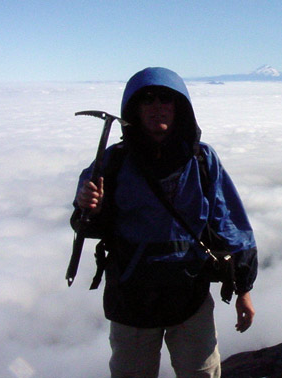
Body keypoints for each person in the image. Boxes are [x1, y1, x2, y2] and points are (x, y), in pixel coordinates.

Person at [72, 67, 258, 377]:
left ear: (179, 107)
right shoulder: (113, 162)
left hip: (189, 295)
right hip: (131, 298)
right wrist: (88, 206)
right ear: (135, 108)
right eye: (147, 99)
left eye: (165, 99)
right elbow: (87, 224)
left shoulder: (202, 160)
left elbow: (229, 223)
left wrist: (244, 289)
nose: (157, 106)